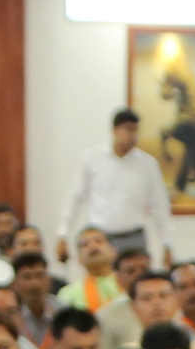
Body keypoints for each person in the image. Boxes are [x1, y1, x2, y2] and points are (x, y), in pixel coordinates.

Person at [61, 107, 176, 265]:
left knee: (134, 285)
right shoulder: (92, 159)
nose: (132, 136)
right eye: (127, 130)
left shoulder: (148, 165)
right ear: (115, 130)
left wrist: (166, 243)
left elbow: (160, 206)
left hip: (134, 238)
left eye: (135, 131)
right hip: (100, 238)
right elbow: (75, 197)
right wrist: (63, 234)